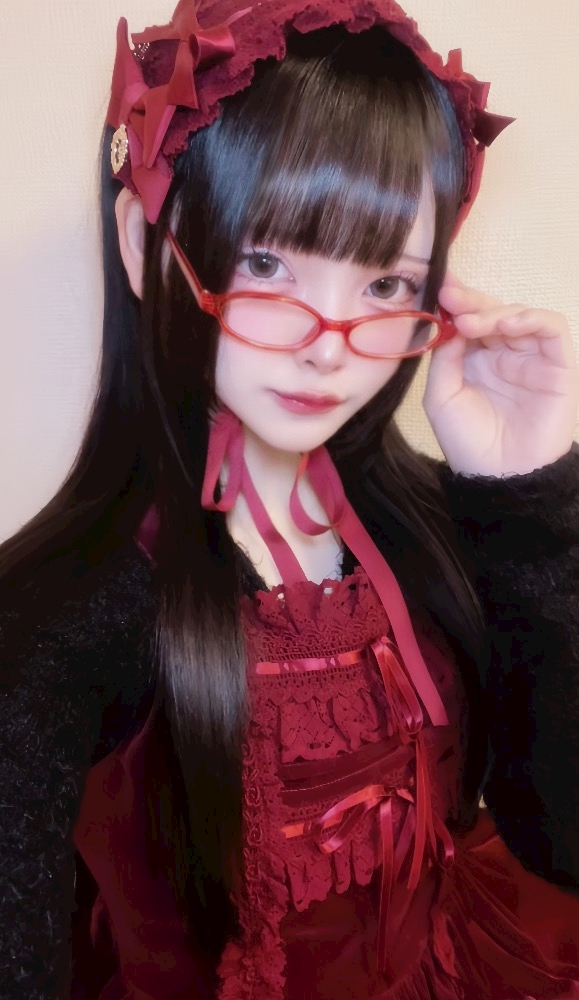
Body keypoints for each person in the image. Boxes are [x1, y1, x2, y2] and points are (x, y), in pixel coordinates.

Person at [1, 0, 579, 997]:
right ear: (145, 243)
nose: (327, 346)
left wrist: (524, 495)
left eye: (387, 284)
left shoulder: (438, 525)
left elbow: (560, 838)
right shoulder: (60, 614)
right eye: (268, 263)